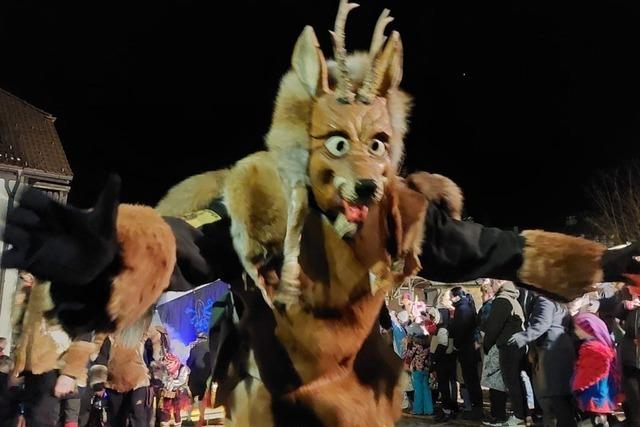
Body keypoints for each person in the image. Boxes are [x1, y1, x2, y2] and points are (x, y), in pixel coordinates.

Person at [508, 291, 576, 427]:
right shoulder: (559, 301)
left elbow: (542, 324)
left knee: (553, 395)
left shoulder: (545, 300)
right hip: (561, 348)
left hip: (551, 350)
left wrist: (521, 337)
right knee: (561, 395)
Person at [482, 281, 526, 426]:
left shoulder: (501, 300)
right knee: (516, 382)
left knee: (511, 383)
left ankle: (518, 417)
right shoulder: (513, 299)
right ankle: (520, 414)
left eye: (493, 282)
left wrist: (486, 346)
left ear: (500, 283)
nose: (491, 285)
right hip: (517, 345)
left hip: (508, 346)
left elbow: (493, 327)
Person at [572, 313, 623, 427]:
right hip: (604, 391)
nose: (576, 331)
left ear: (588, 329)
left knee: (598, 420)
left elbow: (588, 374)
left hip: (594, 392)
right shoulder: (603, 346)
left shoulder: (592, 348)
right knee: (604, 419)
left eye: (578, 328)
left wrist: (577, 384)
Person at [449, 287, 483, 420]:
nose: (451, 299)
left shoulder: (462, 309)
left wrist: (456, 345)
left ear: (457, 296)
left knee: (470, 379)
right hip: (470, 348)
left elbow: (460, 330)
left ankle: (476, 409)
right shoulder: (467, 307)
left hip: (466, 349)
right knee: (472, 379)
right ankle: (476, 407)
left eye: (451, 296)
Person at [402, 333, 433, 416]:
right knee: (426, 389)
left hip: (417, 369)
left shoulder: (414, 346)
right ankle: (429, 410)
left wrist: (407, 345)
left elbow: (406, 355)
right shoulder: (428, 345)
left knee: (418, 391)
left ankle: (418, 410)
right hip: (426, 369)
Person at [159, 353, 190, 427]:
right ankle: (165, 422)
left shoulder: (182, 368)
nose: (168, 365)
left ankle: (178, 423)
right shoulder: (165, 368)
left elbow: (181, 380)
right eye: (166, 363)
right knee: (165, 407)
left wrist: (171, 383)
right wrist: (166, 384)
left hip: (179, 391)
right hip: (168, 391)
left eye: (169, 363)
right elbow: (163, 378)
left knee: (177, 408)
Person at [187, 333, 210, 427]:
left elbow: (189, 363)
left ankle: (189, 418)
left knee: (192, 398)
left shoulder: (194, 349)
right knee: (201, 398)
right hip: (204, 377)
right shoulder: (210, 350)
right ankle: (202, 418)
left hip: (194, 377)